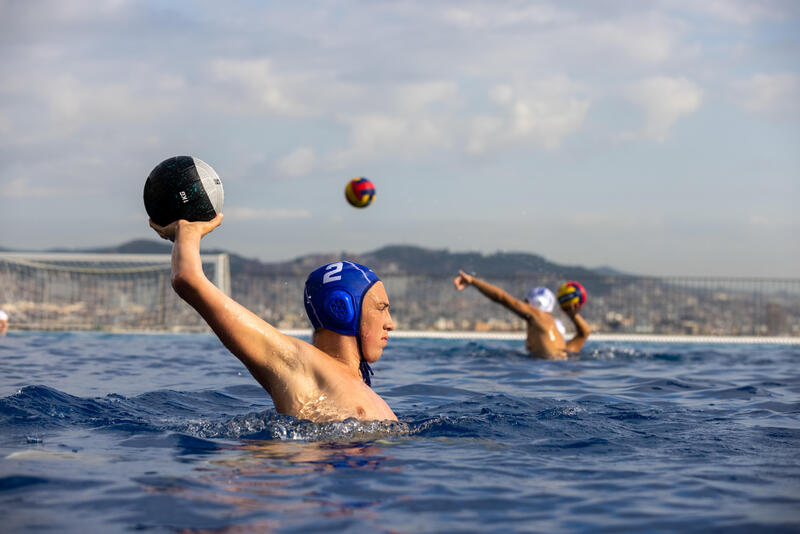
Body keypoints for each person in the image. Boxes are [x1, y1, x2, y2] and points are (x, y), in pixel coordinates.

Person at [149, 215, 396, 423]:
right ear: (342, 308)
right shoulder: (299, 363)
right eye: (381, 308)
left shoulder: (361, 387)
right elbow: (188, 279)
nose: (390, 323)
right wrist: (188, 231)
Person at [453, 271, 590, 359]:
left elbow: (502, 298)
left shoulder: (536, 315)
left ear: (530, 304)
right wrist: (573, 315)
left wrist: (473, 281)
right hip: (562, 364)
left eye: (525, 303)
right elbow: (584, 333)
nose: (523, 306)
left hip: (548, 369)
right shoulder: (555, 329)